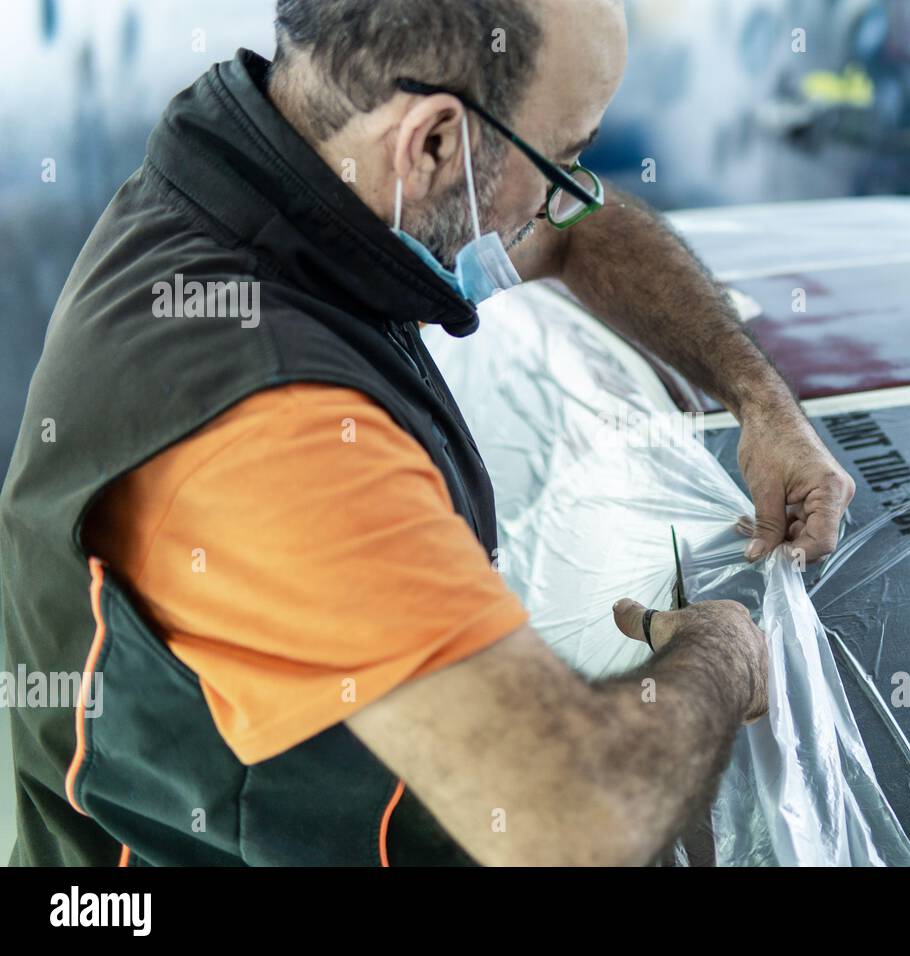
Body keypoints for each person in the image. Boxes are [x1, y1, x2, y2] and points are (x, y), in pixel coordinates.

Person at [0, 0, 853, 866]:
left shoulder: (287, 180)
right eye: (562, 159)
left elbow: (570, 232)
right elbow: (575, 823)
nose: (569, 198)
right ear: (435, 145)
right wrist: (720, 657)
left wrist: (760, 401)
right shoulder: (271, 428)